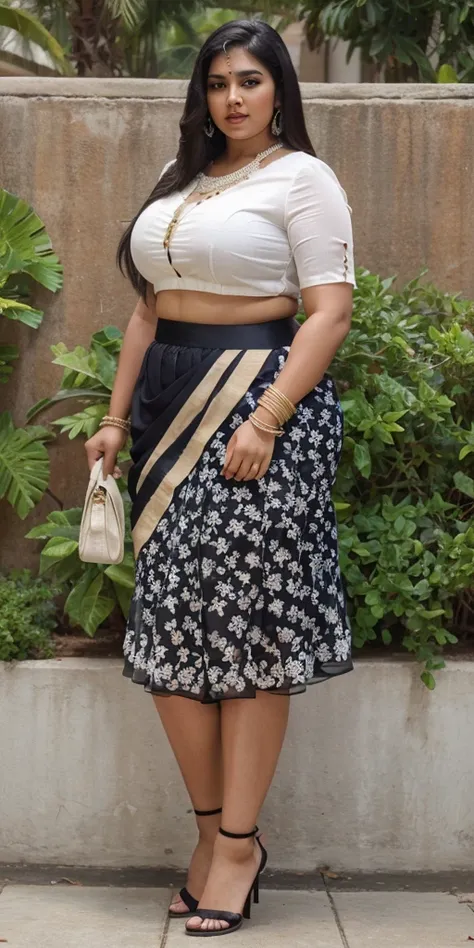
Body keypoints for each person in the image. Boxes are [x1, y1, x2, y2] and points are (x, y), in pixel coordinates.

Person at [85, 18, 355, 938]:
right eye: (216, 84)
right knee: (169, 640)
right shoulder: (183, 185)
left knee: (250, 640)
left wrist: (269, 418)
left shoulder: (303, 179)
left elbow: (329, 312)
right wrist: (116, 421)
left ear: (280, 88)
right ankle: (213, 833)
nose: (232, 98)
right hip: (169, 411)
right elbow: (146, 314)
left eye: (250, 80)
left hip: (260, 411)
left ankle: (237, 847)